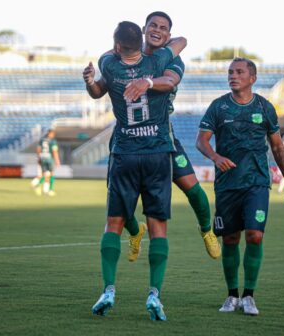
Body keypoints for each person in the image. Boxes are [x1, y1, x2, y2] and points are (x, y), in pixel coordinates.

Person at [83, 21, 186, 321]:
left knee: (113, 223)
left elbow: (97, 92)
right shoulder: (157, 60)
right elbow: (181, 41)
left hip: (125, 153)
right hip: (156, 154)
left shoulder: (108, 63)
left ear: (116, 46)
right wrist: (149, 79)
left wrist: (90, 81)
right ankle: (154, 293)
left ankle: (109, 290)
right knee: (158, 227)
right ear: (140, 38)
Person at [196, 58, 284, 316]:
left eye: (239, 72)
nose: (233, 76)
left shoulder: (264, 107)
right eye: (230, 72)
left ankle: (249, 296)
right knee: (230, 239)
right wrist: (216, 158)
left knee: (255, 235)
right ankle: (232, 296)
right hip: (227, 185)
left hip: (257, 183)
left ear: (252, 78)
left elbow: (277, 147)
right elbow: (201, 141)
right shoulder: (218, 107)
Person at [120, 11, 220, 262]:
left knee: (194, 190)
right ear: (143, 29)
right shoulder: (127, 56)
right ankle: (135, 231)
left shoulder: (172, 59)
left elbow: (170, 81)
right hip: (128, 137)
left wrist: (148, 82)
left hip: (163, 138)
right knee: (118, 197)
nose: (157, 30)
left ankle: (206, 229)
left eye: (163, 28)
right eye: (153, 25)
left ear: (168, 35)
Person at [35, 129, 60, 196]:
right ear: (51, 134)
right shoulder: (53, 141)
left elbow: (38, 150)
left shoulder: (42, 140)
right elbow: (55, 151)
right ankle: (50, 190)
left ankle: (39, 187)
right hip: (49, 158)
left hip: (42, 158)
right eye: (53, 134)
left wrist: (38, 158)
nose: (53, 135)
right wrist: (57, 160)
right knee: (51, 174)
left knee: (44, 174)